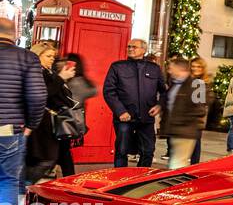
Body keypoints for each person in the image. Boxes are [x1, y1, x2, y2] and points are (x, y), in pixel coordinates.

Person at [0, 17, 45, 205]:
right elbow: (37, 97)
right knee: (7, 181)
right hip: (7, 130)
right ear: (15, 34)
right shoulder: (26, 58)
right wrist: (31, 125)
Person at [102, 38, 167, 168]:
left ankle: (140, 178)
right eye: (129, 47)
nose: (130, 49)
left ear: (144, 50)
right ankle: (120, 179)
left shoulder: (154, 69)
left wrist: (159, 105)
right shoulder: (117, 67)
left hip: (146, 118)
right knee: (122, 150)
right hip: (124, 118)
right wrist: (120, 111)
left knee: (148, 151)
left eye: (134, 47)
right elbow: (109, 91)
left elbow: (164, 91)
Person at [25, 41, 70, 184]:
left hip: (50, 121)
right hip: (39, 121)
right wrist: (61, 79)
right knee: (46, 158)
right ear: (37, 56)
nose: (52, 59)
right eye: (48, 56)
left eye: (53, 56)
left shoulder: (48, 71)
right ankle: (24, 184)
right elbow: (45, 93)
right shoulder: (35, 72)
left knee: (49, 157)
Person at [159, 57, 207, 170]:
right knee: (175, 162)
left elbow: (200, 109)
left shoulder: (197, 84)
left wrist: (179, 122)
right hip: (174, 131)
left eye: (171, 68)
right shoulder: (174, 83)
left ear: (179, 68)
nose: (169, 71)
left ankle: (178, 186)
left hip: (185, 131)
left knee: (177, 163)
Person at [58, 53, 96, 177]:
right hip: (70, 121)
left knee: (63, 152)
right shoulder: (81, 81)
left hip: (64, 121)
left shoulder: (75, 82)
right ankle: (68, 177)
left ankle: (68, 178)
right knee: (64, 153)